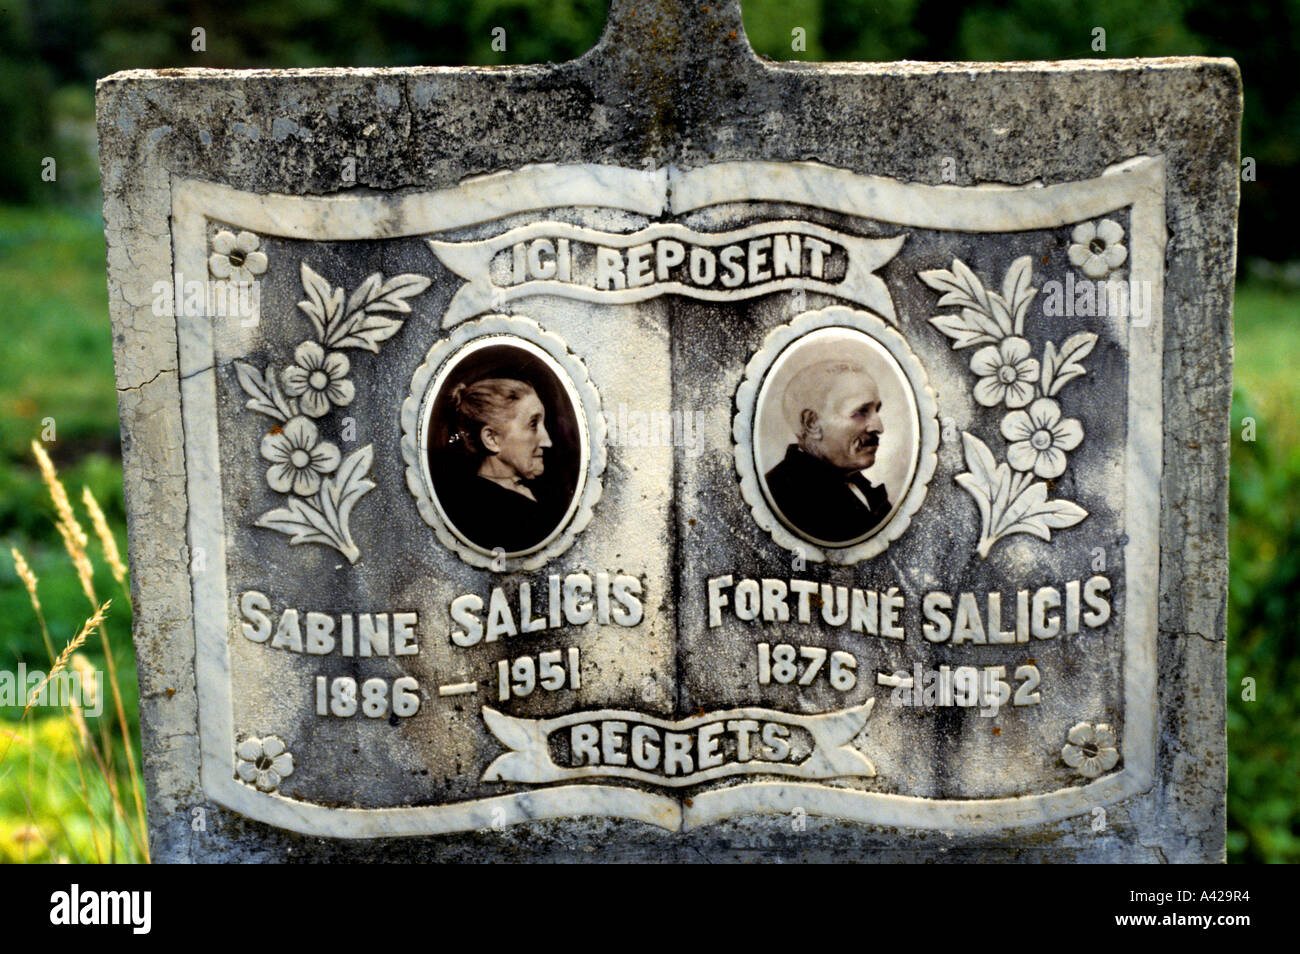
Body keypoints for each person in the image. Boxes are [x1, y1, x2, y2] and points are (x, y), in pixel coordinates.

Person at [763, 360, 892, 544]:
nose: (879, 427)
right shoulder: (784, 497)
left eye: (876, 411)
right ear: (812, 424)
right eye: (861, 412)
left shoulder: (856, 484)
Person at [434, 376, 562, 553]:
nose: (547, 442)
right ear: (492, 439)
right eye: (533, 424)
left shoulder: (535, 492)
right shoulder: (486, 513)